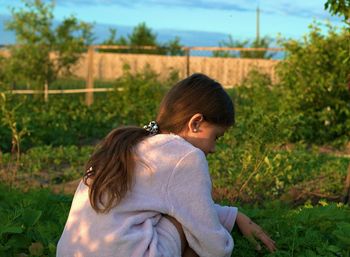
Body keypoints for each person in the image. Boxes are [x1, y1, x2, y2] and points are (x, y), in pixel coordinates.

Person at [57, 73, 276, 257]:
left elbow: (176, 200)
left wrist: (233, 215)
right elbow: (214, 246)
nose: (214, 149)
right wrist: (227, 241)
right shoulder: (186, 156)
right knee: (186, 225)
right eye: (216, 137)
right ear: (196, 123)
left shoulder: (133, 143)